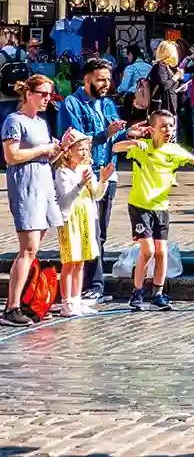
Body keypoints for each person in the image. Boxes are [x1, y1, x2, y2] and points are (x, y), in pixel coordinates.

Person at [112, 109, 194, 311]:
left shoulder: (175, 150)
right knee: (147, 251)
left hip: (161, 207)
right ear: (152, 128)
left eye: (171, 126)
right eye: (162, 126)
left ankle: (158, 293)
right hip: (140, 205)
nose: (168, 130)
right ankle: (137, 293)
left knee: (161, 252)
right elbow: (115, 148)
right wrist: (131, 141)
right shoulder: (143, 147)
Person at [56, 57, 124, 300]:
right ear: (87, 79)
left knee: (100, 231)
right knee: (87, 231)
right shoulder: (72, 103)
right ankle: (89, 286)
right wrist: (106, 133)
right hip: (82, 173)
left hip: (107, 171)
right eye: (101, 79)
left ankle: (95, 285)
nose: (106, 84)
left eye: (108, 79)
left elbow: (118, 135)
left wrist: (131, 132)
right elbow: (73, 140)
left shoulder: (107, 103)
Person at [3, 75, 64, 325]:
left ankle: (24, 300)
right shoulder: (13, 120)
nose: (47, 99)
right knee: (27, 248)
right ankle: (11, 306)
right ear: (28, 93)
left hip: (43, 183)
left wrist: (58, 149)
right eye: (43, 94)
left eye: (50, 95)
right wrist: (43, 149)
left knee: (35, 248)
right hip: (25, 185)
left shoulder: (41, 122)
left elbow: (46, 157)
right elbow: (11, 155)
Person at [51, 132, 112, 317]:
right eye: (80, 149)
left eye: (86, 149)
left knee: (81, 262)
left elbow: (96, 195)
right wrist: (80, 184)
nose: (84, 152)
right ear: (68, 152)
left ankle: (76, 299)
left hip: (87, 215)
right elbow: (65, 199)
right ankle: (66, 302)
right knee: (70, 262)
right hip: (71, 218)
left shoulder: (85, 169)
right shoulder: (62, 172)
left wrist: (102, 179)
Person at [140, 40, 185, 123]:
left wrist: (181, 79)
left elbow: (177, 87)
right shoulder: (160, 66)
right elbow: (165, 85)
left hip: (171, 105)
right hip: (162, 106)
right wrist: (176, 77)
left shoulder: (171, 67)